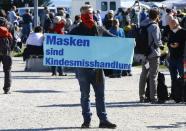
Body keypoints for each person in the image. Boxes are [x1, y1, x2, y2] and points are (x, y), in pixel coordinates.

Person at [69, 5, 116, 129]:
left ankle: (103, 120)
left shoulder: (99, 28)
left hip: (98, 69)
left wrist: (129, 43)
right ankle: (87, 121)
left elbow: (113, 39)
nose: (89, 16)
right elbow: (65, 45)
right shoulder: (75, 30)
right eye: (86, 14)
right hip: (82, 68)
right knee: (85, 96)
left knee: (100, 95)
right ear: (81, 15)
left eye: (91, 13)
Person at [139, 9, 163, 104]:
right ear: (157, 16)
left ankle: (141, 96)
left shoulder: (142, 24)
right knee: (153, 76)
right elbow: (157, 41)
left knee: (143, 75)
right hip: (153, 54)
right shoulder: (154, 26)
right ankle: (153, 98)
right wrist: (161, 45)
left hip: (144, 55)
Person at [167, 19, 186, 97]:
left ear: (175, 24)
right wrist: (171, 45)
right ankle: (174, 94)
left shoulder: (184, 32)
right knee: (173, 77)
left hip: (181, 58)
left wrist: (178, 45)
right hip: (172, 58)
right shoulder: (171, 32)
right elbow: (168, 43)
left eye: (170, 24)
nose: (169, 25)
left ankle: (183, 94)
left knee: (183, 76)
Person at [0, 10, 13, 94]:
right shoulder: (9, 24)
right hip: (6, 50)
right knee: (7, 70)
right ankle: (6, 89)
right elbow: (13, 38)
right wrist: (10, 48)